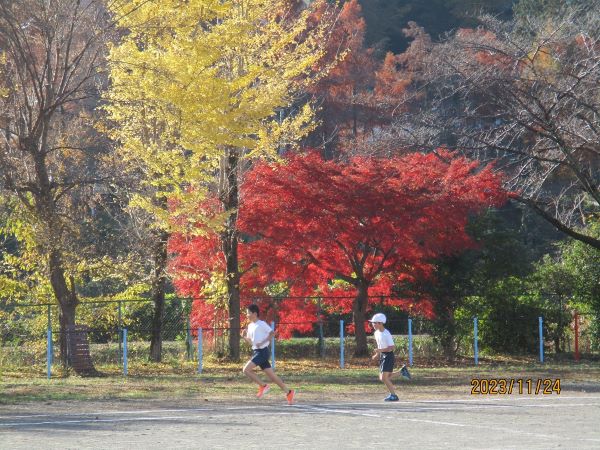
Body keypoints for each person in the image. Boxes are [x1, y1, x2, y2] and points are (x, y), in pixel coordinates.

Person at [242, 304, 295, 405]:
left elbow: (272, 333)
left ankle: (263, 386)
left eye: (248, 313)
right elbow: (252, 342)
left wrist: (263, 342)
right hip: (257, 351)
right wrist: (244, 337)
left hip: (263, 352)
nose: (247, 315)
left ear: (255, 313)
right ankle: (289, 392)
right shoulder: (250, 326)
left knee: (246, 369)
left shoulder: (261, 324)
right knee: (272, 376)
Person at [369, 312, 411, 402]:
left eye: (374, 323)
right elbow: (379, 346)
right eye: (373, 323)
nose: (373, 324)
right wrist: (377, 354)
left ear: (380, 323)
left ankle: (393, 395)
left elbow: (391, 347)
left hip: (388, 356)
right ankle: (402, 372)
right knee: (382, 378)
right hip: (383, 355)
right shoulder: (376, 333)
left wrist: (380, 351)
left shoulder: (386, 333)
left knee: (384, 378)